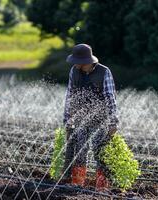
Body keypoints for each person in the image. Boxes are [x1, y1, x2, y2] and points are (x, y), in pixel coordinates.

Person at [62, 44, 118, 191]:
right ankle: (77, 184)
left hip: (100, 120)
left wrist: (113, 122)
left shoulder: (104, 72)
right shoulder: (74, 71)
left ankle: (102, 187)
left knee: (100, 153)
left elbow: (110, 98)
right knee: (79, 151)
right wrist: (68, 120)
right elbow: (70, 96)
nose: (75, 64)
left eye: (77, 61)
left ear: (85, 61)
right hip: (81, 120)